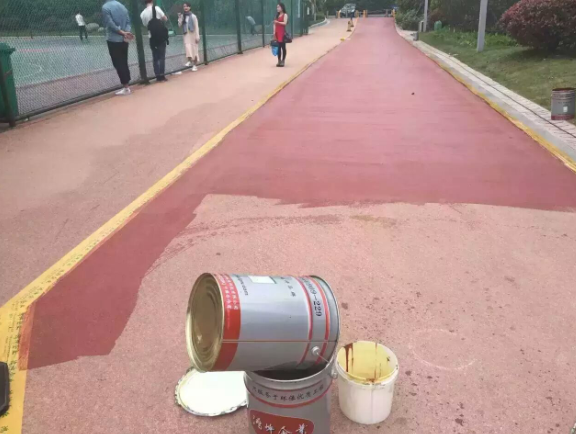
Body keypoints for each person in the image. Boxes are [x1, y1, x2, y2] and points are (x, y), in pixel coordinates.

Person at [102, 0, 134, 95]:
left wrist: (122, 32)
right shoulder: (122, 6)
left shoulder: (105, 7)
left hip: (113, 39)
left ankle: (126, 87)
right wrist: (126, 33)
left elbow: (110, 24)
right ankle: (127, 84)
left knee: (118, 63)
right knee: (124, 61)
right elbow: (128, 22)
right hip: (124, 39)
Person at [140, 0, 169, 82]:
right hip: (161, 36)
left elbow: (145, 24)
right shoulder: (157, 8)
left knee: (155, 57)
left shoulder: (142, 13)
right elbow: (165, 18)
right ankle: (162, 75)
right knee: (162, 56)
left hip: (152, 37)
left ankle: (157, 76)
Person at [178, 3, 200, 71]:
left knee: (194, 50)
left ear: (190, 7)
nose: (186, 7)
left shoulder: (193, 16)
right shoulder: (183, 16)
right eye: (184, 6)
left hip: (193, 35)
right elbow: (179, 25)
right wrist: (179, 18)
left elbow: (196, 27)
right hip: (186, 35)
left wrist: (197, 36)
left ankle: (195, 65)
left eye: (187, 6)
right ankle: (189, 61)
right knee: (188, 49)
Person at [273, 3, 288, 67]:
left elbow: (285, 23)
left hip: (282, 33)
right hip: (277, 33)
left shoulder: (285, 15)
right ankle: (279, 61)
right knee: (278, 47)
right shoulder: (277, 15)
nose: (277, 8)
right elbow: (274, 24)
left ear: (282, 7)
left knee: (283, 47)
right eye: (277, 7)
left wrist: (278, 22)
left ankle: (283, 60)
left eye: (279, 7)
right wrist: (274, 32)